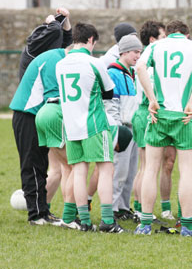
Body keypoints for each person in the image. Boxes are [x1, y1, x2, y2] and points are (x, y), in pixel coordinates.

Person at [135, 20, 192, 237]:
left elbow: (139, 67)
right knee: (186, 170)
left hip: (159, 114)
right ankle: (187, 225)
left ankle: (145, 224)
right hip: (183, 116)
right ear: (186, 34)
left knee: (151, 168)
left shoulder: (156, 46)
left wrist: (151, 98)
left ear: (167, 33)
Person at [56, 22, 124, 233]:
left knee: (78, 171)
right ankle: (107, 221)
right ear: (91, 40)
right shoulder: (94, 63)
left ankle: (84, 221)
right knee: (105, 168)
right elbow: (109, 92)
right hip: (94, 123)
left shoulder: (60, 64)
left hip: (71, 125)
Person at [10, 47, 70, 225]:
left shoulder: (58, 57)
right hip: (27, 114)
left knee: (42, 164)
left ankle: (43, 211)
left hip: (37, 115)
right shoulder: (53, 58)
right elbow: (53, 96)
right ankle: (36, 215)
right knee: (32, 164)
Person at [33, 46, 78, 228]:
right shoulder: (72, 63)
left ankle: (43, 210)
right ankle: (69, 217)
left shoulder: (54, 61)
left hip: (43, 111)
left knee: (57, 168)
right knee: (73, 166)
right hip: (56, 113)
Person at [131, 20, 167, 221]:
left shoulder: (144, 59)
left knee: (144, 165)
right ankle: (143, 210)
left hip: (140, 113)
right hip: (147, 113)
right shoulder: (151, 63)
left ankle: (138, 207)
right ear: (153, 40)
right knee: (148, 167)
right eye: (163, 37)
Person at [104, 34, 142, 220]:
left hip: (133, 129)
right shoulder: (113, 73)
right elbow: (112, 105)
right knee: (119, 171)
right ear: (124, 51)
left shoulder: (132, 73)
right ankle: (112, 208)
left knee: (130, 171)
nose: (138, 56)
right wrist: (118, 129)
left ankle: (124, 207)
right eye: (135, 52)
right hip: (122, 129)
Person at [19, 7, 72, 79]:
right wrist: (52, 21)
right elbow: (55, 29)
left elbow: (67, 40)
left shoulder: (50, 50)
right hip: (31, 90)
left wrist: (66, 19)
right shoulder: (33, 48)